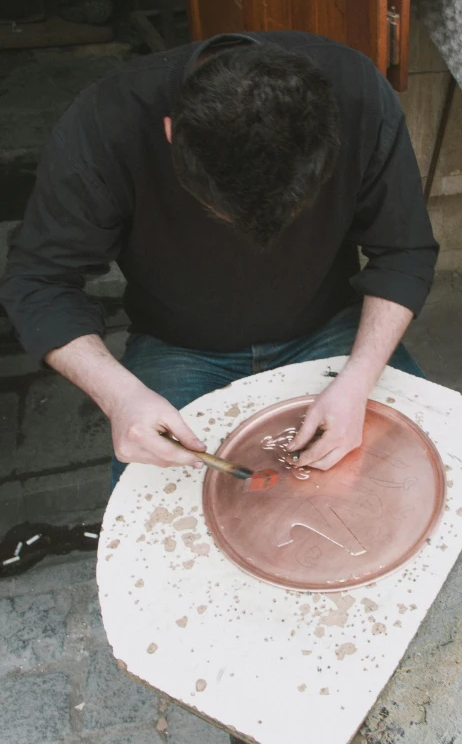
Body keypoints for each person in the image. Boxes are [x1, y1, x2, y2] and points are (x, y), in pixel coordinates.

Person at [0, 31, 438, 489]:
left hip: (329, 324)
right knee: (160, 525)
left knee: (423, 480)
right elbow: (37, 283)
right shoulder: (105, 124)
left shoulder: (356, 92)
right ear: (172, 134)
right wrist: (121, 397)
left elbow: (404, 249)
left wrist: (359, 378)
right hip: (182, 344)